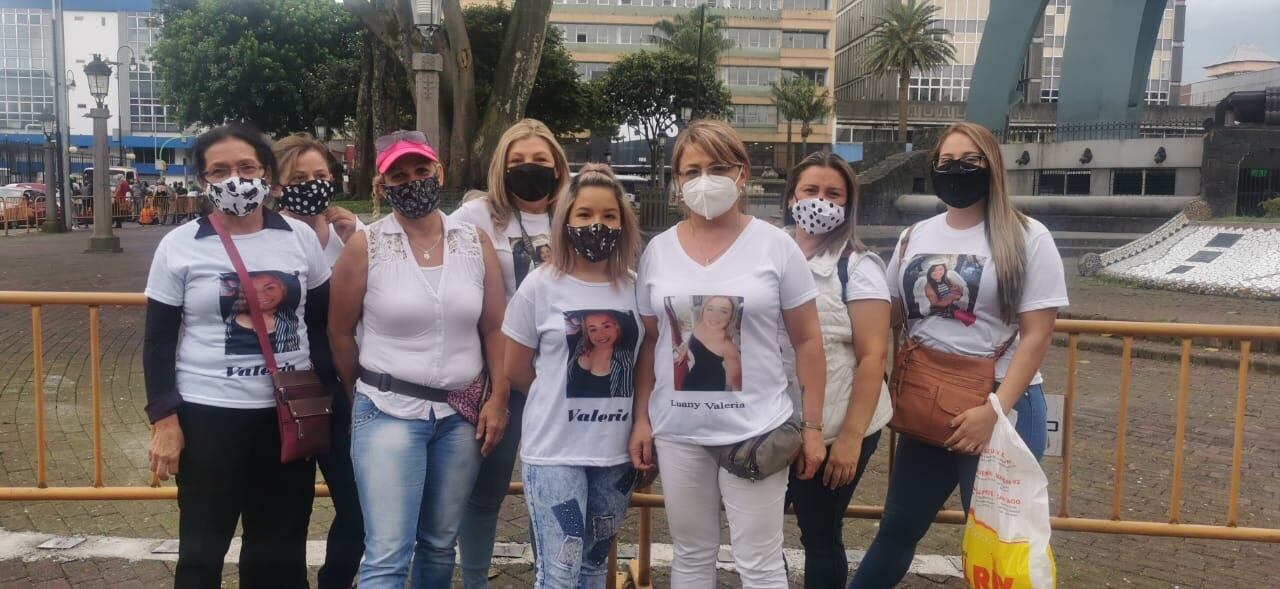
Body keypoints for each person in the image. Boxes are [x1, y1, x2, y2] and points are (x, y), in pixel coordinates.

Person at [849, 122, 1068, 588]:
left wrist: (992, 411)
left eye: (970, 162)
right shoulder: (914, 236)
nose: (957, 171)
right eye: (946, 163)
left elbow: (1036, 336)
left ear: (992, 168)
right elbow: (886, 312)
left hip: (1000, 406)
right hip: (930, 402)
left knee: (998, 541)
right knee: (897, 528)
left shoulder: (1028, 237)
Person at [630, 119, 828, 587]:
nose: (704, 179)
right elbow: (653, 341)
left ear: (742, 173)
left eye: (717, 166)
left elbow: (808, 341)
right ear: (676, 181)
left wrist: (814, 427)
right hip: (679, 432)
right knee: (691, 555)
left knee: (759, 561)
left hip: (754, 432)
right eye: (691, 169)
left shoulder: (776, 247)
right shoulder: (657, 252)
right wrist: (642, 418)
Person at [143, 123, 336, 588]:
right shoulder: (180, 245)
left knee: (280, 551)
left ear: (268, 173)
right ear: (203, 180)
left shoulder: (298, 238)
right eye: (220, 170)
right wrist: (165, 420)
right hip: (209, 417)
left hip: (285, 416)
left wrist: (331, 401)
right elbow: (158, 341)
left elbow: (321, 323)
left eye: (247, 166)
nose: (236, 178)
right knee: (202, 550)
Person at [329, 130, 509, 588]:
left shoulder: (475, 242)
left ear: (439, 173)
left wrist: (498, 398)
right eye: (399, 175)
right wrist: (361, 391)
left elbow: (494, 327)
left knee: (438, 544)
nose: (413, 182)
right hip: (388, 410)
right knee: (388, 552)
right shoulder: (366, 245)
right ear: (382, 185)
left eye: (421, 171)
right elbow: (340, 331)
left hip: (459, 414)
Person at [503, 163, 644, 588]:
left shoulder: (637, 288)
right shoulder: (540, 286)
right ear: (565, 219)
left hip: (615, 456)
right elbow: (515, 367)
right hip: (554, 454)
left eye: (608, 216)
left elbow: (644, 365)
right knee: (559, 571)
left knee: (592, 567)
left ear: (623, 223)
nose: (596, 225)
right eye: (584, 215)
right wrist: (559, 396)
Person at [449, 118, 571, 587]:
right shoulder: (474, 218)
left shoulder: (576, 212)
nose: (529, 169)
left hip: (561, 378)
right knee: (486, 490)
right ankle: (476, 579)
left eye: (540, 160)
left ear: (558, 167)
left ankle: (553, 576)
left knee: (555, 492)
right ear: (501, 167)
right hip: (497, 376)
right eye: (517, 161)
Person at [779, 152, 892, 589]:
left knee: (820, 534)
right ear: (792, 197)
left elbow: (872, 358)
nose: (819, 201)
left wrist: (847, 440)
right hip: (774, 422)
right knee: (761, 528)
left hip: (837, 424)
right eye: (810, 191)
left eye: (833, 194)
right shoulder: (767, 251)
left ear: (848, 204)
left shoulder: (858, 267)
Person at [270, 132, 365, 589]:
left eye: (321, 175)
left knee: (359, 506)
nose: (313, 184)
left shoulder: (352, 232)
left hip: (344, 389)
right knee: (288, 512)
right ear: (277, 184)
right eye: (299, 178)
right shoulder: (268, 237)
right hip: (288, 392)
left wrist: (353, 244)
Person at [673, 295, 742, 392]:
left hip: (712, 384)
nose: (714, 316)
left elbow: (737, 386)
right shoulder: (700, 324)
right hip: (694, 374)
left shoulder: (729, 348)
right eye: (710, 309)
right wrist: (684, 351)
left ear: (731, 317)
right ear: (703, 311)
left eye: (723, 311)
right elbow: (691, 338)